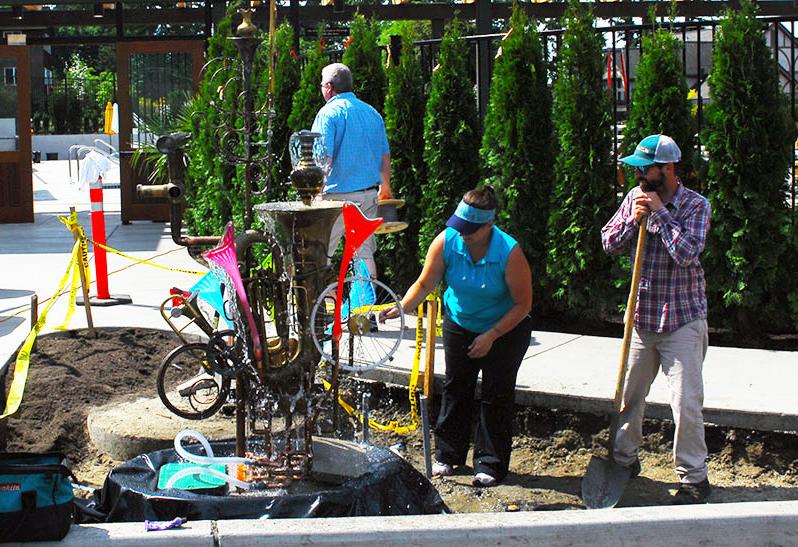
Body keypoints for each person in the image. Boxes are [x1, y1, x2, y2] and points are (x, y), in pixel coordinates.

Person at [381, 186, 533, 487]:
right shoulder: (448, 240)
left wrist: (491, 335)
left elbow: (523, 304)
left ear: (489, 225)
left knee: (496, 394)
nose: (463, 233)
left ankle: (490, 463)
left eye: (471, 230)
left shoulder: (509, 252)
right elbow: (425, 283)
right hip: (460, 322)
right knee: (456, 387)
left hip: (506, 328)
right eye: (459, 226)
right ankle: (448, 455)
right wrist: (400, 307)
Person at [601, 134, 712, 504]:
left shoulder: (696, 206)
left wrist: (661, 215)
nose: (637, 174)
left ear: (666, 169)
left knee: (685, 403)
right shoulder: (635, 199)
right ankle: (623, 460)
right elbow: (609, 243)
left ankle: (694, 479)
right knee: (629, 397)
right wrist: (633, 222)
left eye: (643, 168)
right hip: (642, 317)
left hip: (682, 318)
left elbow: (686, 252)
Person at [311, 62, 393, 279]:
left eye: (321, 85)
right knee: (364, 253)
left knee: (320, 253)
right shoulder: (372, 113)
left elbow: (323, 158)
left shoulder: (328, 114)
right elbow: (385, 157)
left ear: (329, 87)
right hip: (368, 195)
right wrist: (386, 188)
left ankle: (323, 308)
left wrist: (315, 192)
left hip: (335, 199)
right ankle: (365, 308)